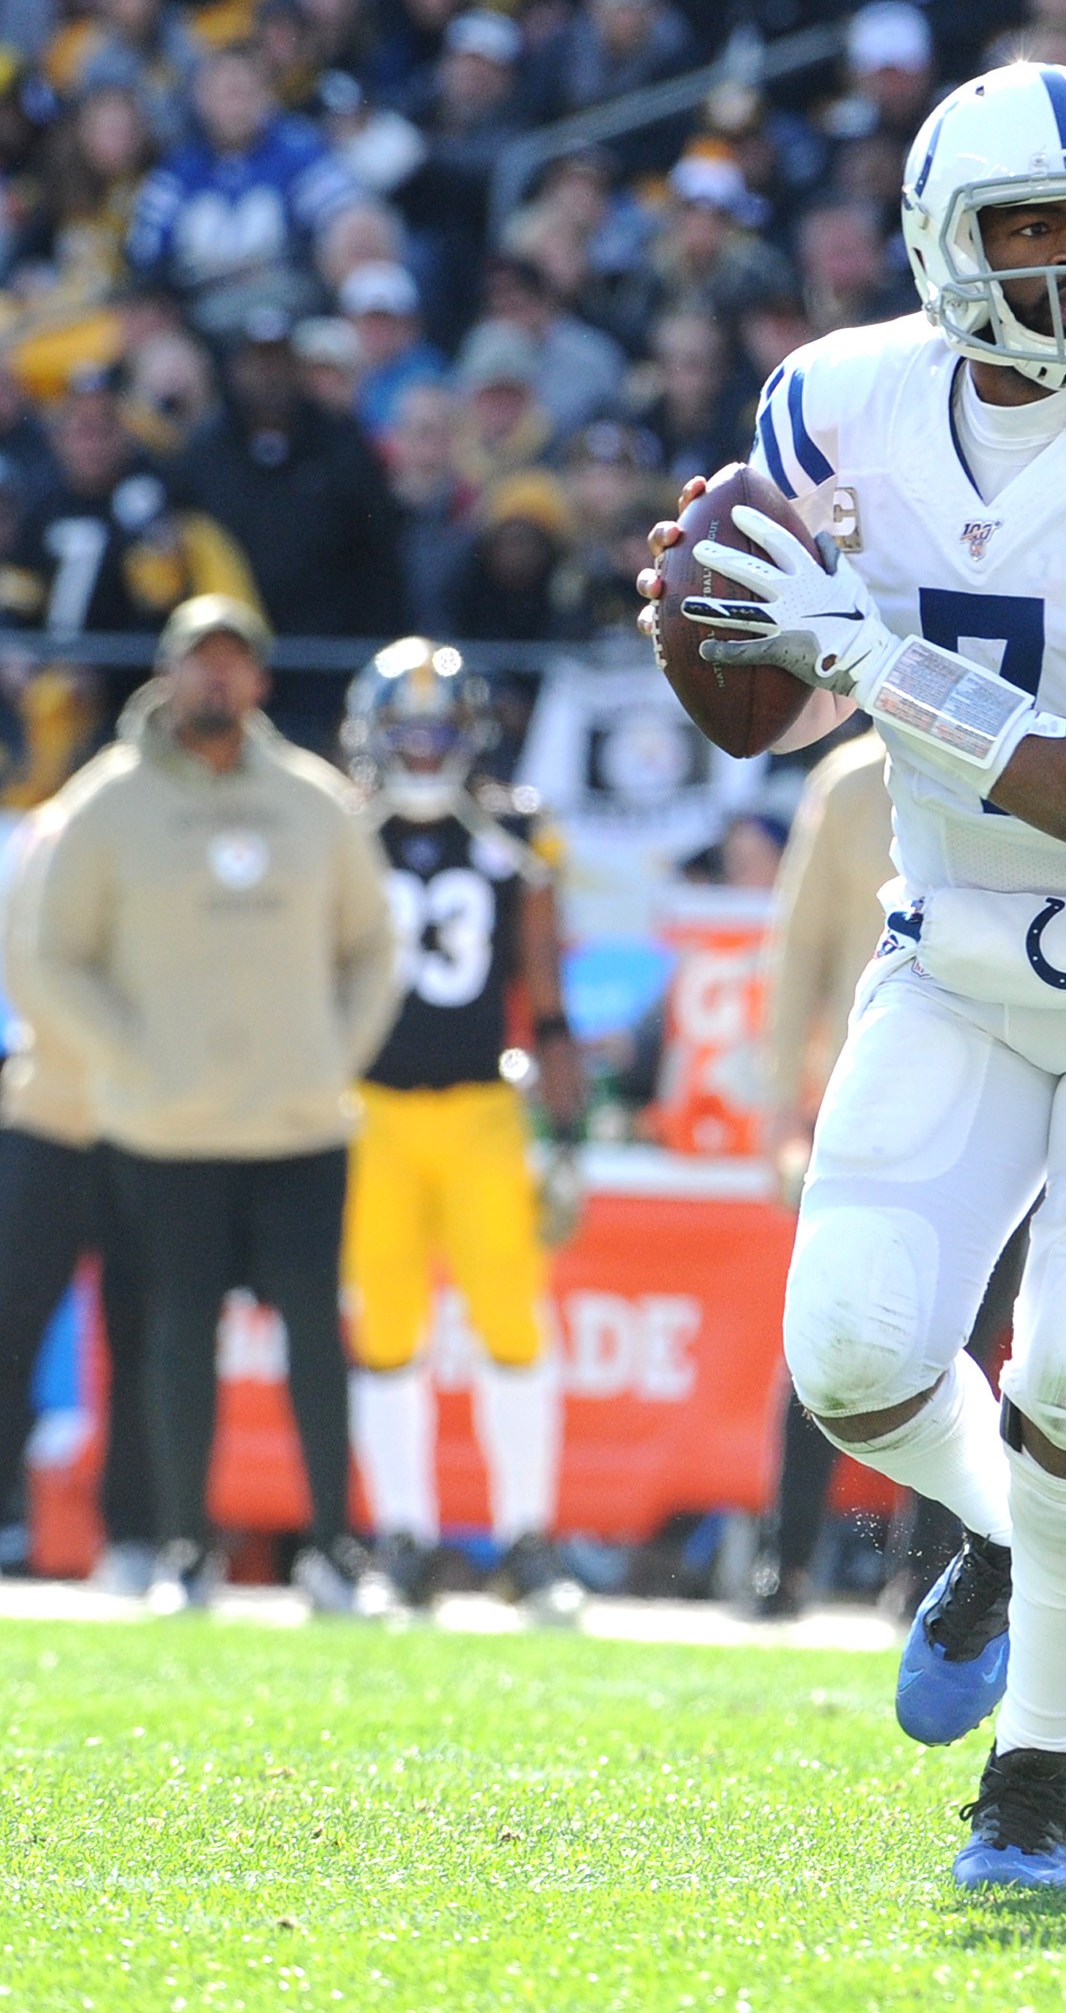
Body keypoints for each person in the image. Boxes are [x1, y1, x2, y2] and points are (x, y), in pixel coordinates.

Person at [642, 62, 1066, 1893]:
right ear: (947, 246)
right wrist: (709, 631)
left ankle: (1036, 1775)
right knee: (853, 1360)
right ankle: (1021, 1530)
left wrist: (864, 658)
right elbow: (755, 711)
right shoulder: (835, 400)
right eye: (1031, 229)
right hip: (950, 945)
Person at [20, 596, 402, 1616]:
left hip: (299, 1123)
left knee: (316, 1339)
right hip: (167, 1127)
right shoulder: (106, 802)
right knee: (177, 1337)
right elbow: (50, 954)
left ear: (262, 681)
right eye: (200, 665)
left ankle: (335, 1549)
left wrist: (339, 1052)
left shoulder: (316, 800)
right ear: (167, 673)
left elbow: (375, 944)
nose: (216, 683)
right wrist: (127, 1059)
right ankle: (184, 1546)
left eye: (234, 665)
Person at [337, 639, 589, 1620]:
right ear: (376, 736)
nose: (428, 747)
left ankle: (527, 1537)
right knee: (387, 1327)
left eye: (443, 730)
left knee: (512, 1323)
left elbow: (549, 986)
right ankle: (404, 1535)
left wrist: (568, 1135)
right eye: (411, 730)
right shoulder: (347, 833)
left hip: (485, 1107)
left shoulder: (513, 831)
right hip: (373, 1111)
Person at [750, 726, 890, 1621]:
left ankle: (935, 1570)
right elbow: (797, 949)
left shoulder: (1018, 755)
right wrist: (779, 1112)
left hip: (994, 1094)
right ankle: (786, 1558)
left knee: (967, 1342)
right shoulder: (848, 784)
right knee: (823, 1331)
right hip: (863, 1102)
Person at [0, 803, 155, 1592]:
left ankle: (138, 1532)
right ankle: (5, 1515)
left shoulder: (172, 832)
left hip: (149, 1128)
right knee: (11, 1316)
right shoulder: (54, 834)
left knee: (144, 1333)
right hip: (52, 1111)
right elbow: (30, 973)